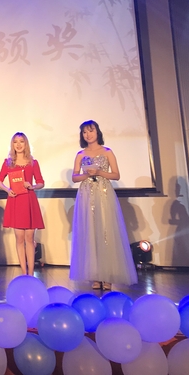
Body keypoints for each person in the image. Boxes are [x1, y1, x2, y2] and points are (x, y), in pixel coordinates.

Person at [70, 120, 137, 290]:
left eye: (91, 131)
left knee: (106, 231)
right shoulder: (80, 154)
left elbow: (116, 175)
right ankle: (95, 275)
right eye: (84, 132)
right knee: (90, 232)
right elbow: (74, 177)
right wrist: (86, 174)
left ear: (97, 132)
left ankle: (108, 276)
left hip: (104, 193)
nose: (88, 135)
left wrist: (99, 172)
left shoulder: (107, 152)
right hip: (86, 195)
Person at [0, 132, 45, 276]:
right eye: (15, 142)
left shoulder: (33, 162)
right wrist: (7, 190)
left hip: (29, 201)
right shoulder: (8, 162)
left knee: (29, 238)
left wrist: (32, 186)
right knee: (19, 238)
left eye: (21, 141)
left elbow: (41, 182)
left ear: (26, 144)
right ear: (12, 144)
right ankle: (23, 272)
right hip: (15, 201)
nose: (18, 144)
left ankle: (31, 273)